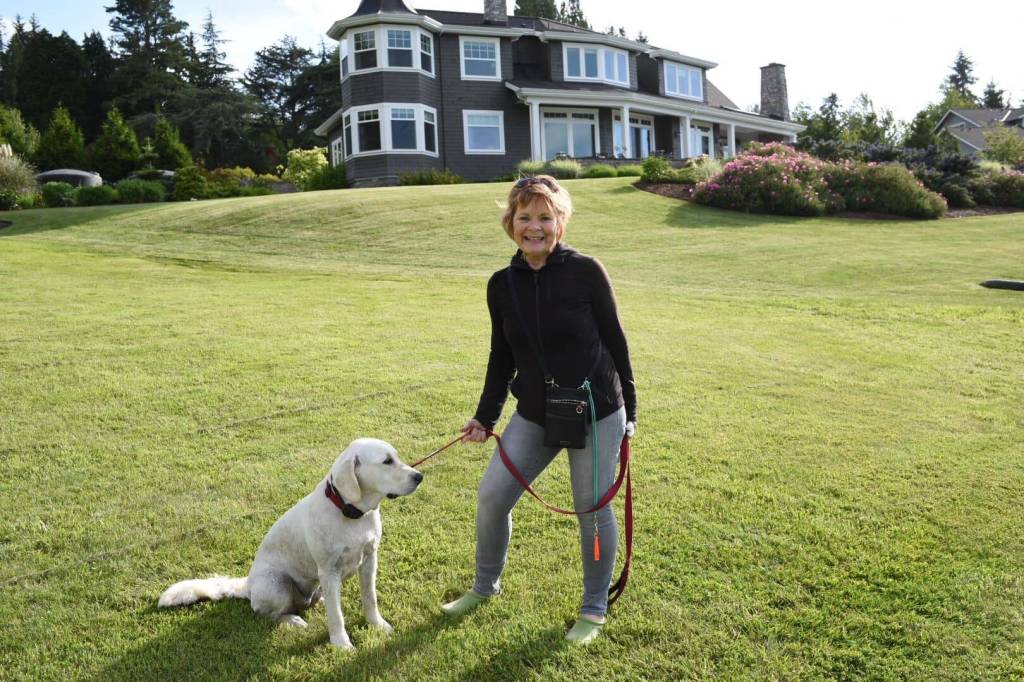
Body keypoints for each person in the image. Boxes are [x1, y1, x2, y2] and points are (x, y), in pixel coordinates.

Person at [442, 175, 637, 645]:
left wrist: (630, 412)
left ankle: (593, 609)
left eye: (545, 217)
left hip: (595, 410)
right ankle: (484, 587)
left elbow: (616, 341)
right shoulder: (501, 284)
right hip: (534, 410)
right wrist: (485, 418)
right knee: (492, 496)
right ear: (510, 223)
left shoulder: (587, 271)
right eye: (525, 217)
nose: (535, 226)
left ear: (561, 223)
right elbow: (500, 355)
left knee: (591, 510)